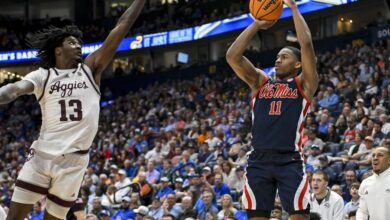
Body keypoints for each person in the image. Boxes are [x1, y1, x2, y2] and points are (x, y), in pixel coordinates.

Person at [0, 1, 146, 219]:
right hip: (42, 156)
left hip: (74, 162)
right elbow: (15, 89)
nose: (78, 45)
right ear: (58, 50)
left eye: (79, 42)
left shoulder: (90, 69)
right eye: (71, 42)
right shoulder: (43, 75)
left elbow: (122, 26)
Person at [226, 0, 318, 219]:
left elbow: (306, 46)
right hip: (259, 160)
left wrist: (294, 8)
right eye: (277, 57)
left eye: (284, 57)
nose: (278, 60)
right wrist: (256, 24)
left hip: (290, 159)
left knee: (299, 215)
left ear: (298, 64)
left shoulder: (304, 84)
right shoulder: (260, 82)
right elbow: (232, 56)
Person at [356, 146, 390, 220]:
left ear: (389, 160)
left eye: (380, 155)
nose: (375, 158)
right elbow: (362, 211)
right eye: (373, 155)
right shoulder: (365, 183)